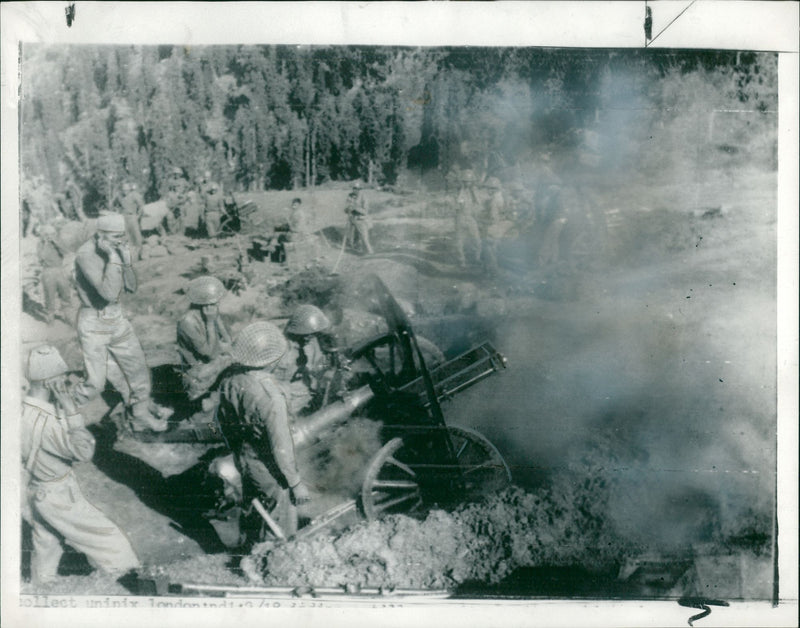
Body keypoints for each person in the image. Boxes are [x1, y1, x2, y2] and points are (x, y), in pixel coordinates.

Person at [22, 345, 140, 585]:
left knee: (47, 539)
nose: (67, 385)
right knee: (106, 536)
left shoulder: (20, 411)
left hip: (37, 487)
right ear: (49, 383)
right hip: (58, 492)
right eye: (63, 380)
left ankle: (42, 583)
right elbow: (83, 451)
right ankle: (134, 578)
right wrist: (70, 409)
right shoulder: (48, 423)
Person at [215, 321, 311, 544]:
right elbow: (281, 446)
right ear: (273, 360)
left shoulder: (231, 380)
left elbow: (223, 421)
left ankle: (248, 548)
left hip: (244, 457)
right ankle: (271, 562)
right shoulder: (271, 396)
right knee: (279, 520)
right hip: (268, 465)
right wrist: (296, 483)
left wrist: (238, 451)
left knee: (254, 508)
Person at [71, 213, 166, 432]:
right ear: (99, 236)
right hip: (94, 322)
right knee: (95, 383)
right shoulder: (86, 254)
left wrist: (126, 259)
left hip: (116, 318)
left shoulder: (115, 248)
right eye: (115, 237)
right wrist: (114, 256)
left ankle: (140, 414)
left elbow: (132, 286)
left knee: (139, 370)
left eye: (122, 236)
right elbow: (108, 293)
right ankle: (64, 409)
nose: (120, 240)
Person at [176, 276, 233, 400]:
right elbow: (210, 355)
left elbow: (228, 340)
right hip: (197, 372)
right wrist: (210, 322)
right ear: (204, 304)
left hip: (211, 363)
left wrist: (216, 319)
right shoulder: (187, 323)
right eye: (215, 302)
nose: (218, 303)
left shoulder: (210, 312)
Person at [272, 304, 335, 414]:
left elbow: (316, 370)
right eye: (308, 335)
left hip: (297, 387)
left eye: (313, 335)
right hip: (278, 396)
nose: (311, 338)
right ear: (299, 331)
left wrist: (328, 363)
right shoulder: (279, 349)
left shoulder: (308, 342)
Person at [35, 224, 73, 323]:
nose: (49, 236)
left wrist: (55, 242)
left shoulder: (59, 242)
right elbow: (41, 257)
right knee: (49, 296)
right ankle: (50, 318)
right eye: (47, 234)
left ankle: (68, 316)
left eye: (52, 233)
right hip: (48, 271)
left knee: (65, 294)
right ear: (43, 235)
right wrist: (45, 243)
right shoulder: (40, 244)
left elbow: (66, 252)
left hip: (60, 270)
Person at [453, 169, 482, 267]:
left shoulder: (475, 191)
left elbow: (479, 204)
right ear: (462, 181)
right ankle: (461, 261)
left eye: (469, 181)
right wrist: (461, 191)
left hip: (471, 218)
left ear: (472, 181)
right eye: (465, 181)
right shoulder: (458, 191)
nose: (467, 183)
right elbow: (457, 205)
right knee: (459, 241)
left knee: (476, 240)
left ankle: (476, 258)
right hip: (460, 217)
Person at [344, 183, 373, 254]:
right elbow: (346, 208)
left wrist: (355, 208)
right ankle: (356, 250)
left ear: (360, 189)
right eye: (354, 188)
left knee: (364, 238)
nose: (356, 190)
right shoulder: (350, 196)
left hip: (361, 220)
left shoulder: (364, 197)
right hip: (352, 219)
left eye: (358, 189)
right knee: (353, 237)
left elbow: (365, 211)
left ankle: (370, 253)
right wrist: (347, 209)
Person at [114, 182, 144, 249]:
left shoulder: (134, 195)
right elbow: (116, 205)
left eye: (127, 190)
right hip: (124, 217)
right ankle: (132, 253)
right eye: (124, 190)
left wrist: (138, 216)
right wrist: (118, 211)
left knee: (136, 235)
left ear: (130, 189)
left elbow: (141, 206)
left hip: (133, 216)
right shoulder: (120, 196)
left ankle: (140, 252)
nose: (125, 191)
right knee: (127, 235)